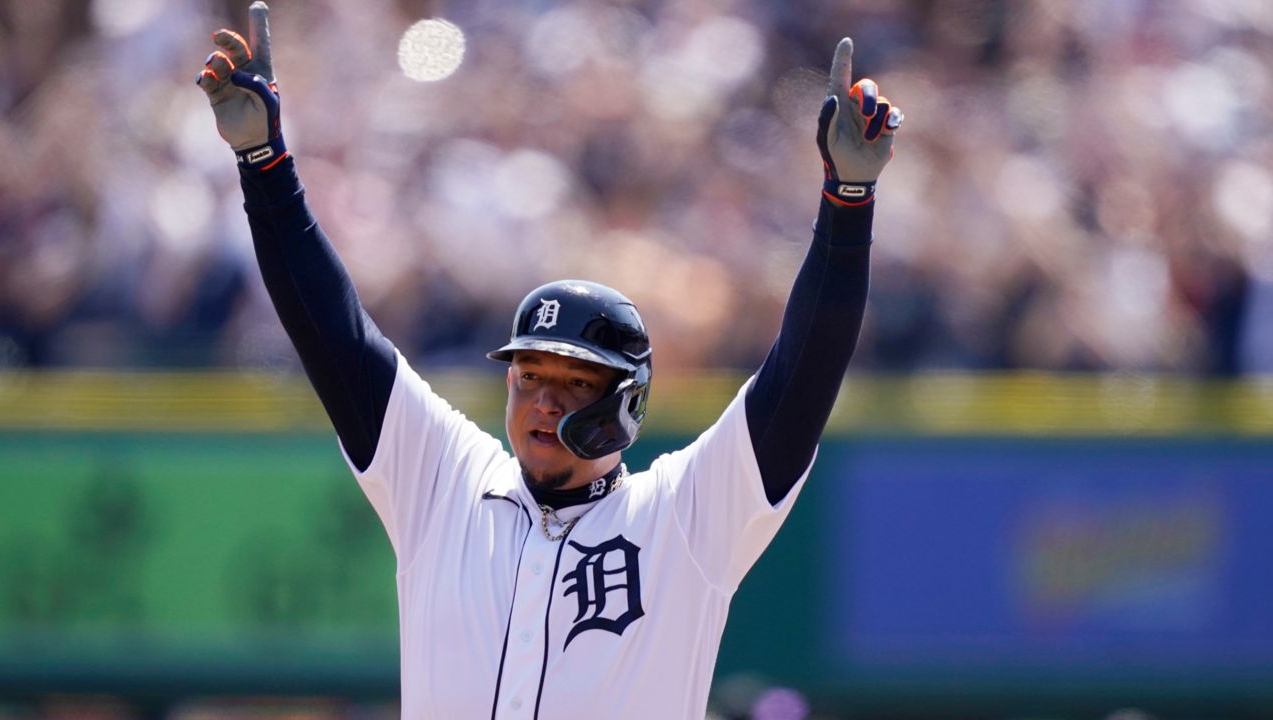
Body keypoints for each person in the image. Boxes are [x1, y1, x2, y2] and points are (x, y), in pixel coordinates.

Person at [196, 3, 902, 717]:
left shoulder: (682, 518)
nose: (543, 399)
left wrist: (848, 205)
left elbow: (802, 375)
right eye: (530, 374)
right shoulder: (444, 481)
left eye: (574, 381)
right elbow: (333, 334)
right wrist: (265, 165)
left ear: (626, 402)